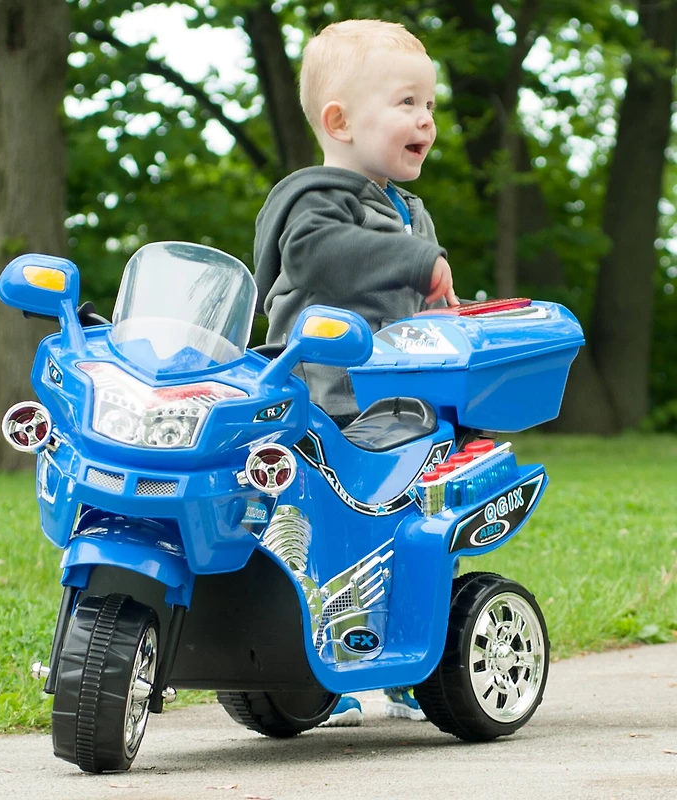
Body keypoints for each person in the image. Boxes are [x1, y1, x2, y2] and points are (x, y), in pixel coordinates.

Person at [253, 19, 457, 726]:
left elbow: (411, 304)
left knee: (402, 532)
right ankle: (313, 668)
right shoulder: (314, 200)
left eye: (430, 106)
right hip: (320, 409)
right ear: (339, 120)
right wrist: (414, 262)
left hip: (392, 413)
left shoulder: (409, 209)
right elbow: (318, 256)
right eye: (406, 104)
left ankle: (408, 658)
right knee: (309, 540)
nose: (425, 120)